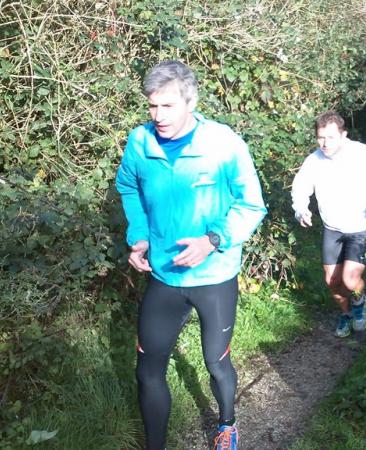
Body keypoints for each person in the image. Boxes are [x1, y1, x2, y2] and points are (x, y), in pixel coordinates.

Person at [115, 60, 267, 450]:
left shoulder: (223, 143)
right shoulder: (140, 142)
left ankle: (227, 424)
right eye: (152, 106)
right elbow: (128, 187)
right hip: (164, 276)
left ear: (190, 102)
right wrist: (139, 236)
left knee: (216, 361)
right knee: (147, 372)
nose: (158, 116)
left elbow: (252, 205)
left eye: (167, 106)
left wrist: (213, 240)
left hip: (214, 276)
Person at [291, 111, 366, 338]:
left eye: (330, 137)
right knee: (332, 281)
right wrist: (301, 209)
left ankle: (359, 301)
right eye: (320, 138)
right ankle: (347, 313)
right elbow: (300, 187)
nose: (325, 143)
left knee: (349, 280)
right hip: (332, 229)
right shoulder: (314, 161)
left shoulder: (362, 153)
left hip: (360, 227)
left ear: (343, 135)